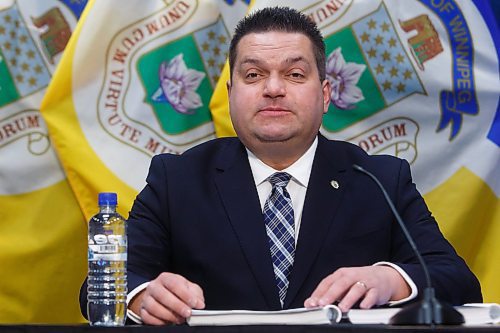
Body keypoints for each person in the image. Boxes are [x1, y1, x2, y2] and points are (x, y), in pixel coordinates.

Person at [79, 6, 482, 325]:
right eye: (254, 75)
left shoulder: (379, 179)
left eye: (294, 73)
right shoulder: (177, 180)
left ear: (325, 94)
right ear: (232, 93)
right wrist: (141, 296)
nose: (273, 89)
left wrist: (390, 280)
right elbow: (100, 287)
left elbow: (458, 280)